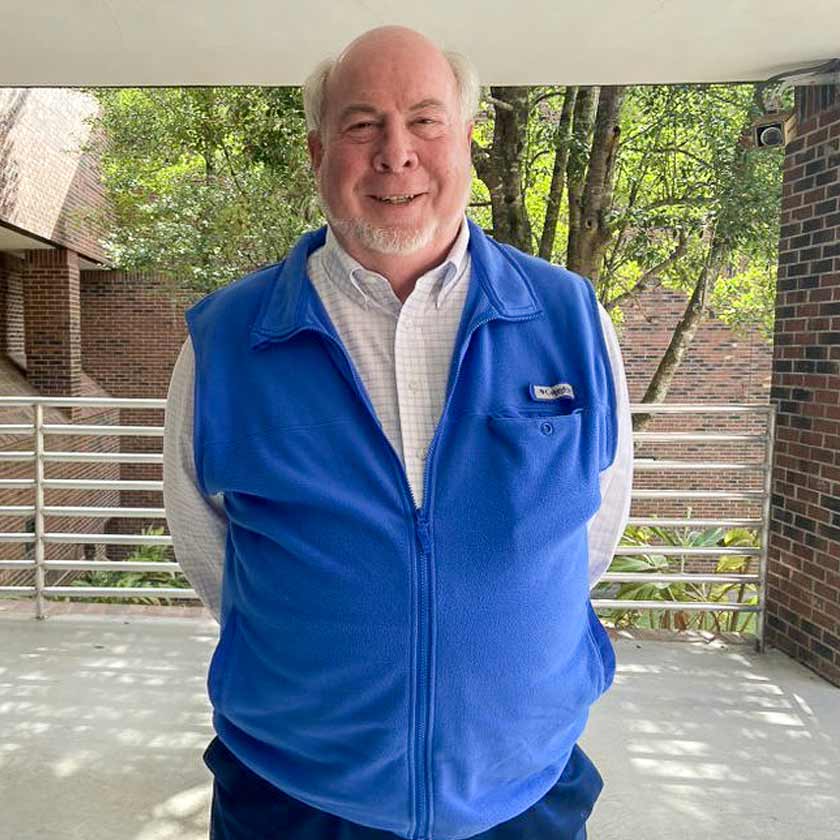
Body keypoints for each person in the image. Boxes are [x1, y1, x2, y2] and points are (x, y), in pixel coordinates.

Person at [163, 25, 633, 840]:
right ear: (317, 153)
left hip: (525, 797)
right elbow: (212, 557)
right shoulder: (225, 344)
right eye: (361, 125)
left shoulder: (571, 321)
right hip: (293, 801)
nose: (395, 153)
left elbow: (592, 534)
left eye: (425, 120)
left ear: (467, 141)